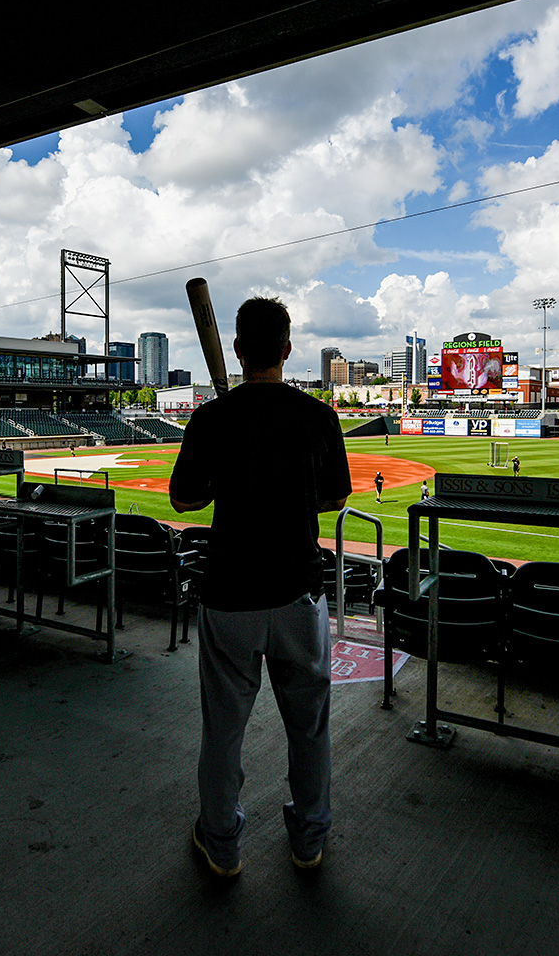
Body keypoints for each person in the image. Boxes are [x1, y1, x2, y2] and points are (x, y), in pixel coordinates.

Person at [170, 297, 352, 878]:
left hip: (230, 596)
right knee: (310, 727)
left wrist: (231, 473)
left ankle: (221, 842)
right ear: (288, 350)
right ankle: (309, 840)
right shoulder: (317, 415)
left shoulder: (212, 418)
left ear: (239, 350)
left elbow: (184, 499)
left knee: (223, 731)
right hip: (300, 593)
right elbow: (334, 497)